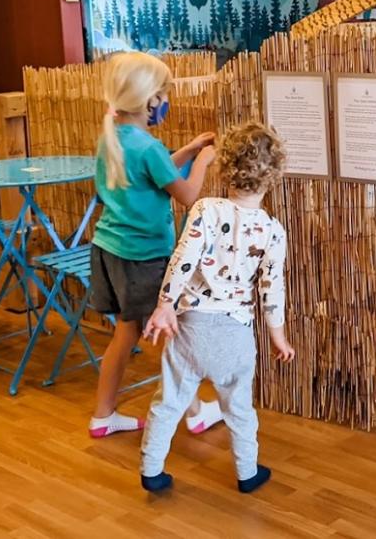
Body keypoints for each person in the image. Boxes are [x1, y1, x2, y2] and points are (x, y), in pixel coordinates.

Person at [139, 122, 295, 493]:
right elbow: (273, 288)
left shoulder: (206, 210)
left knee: (170, 401)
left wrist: (165, 305)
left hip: (190, 326)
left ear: (225, 167)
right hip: (235, 334)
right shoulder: (273, 231)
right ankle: (247, 473)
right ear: (273, 176)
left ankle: (151, 470)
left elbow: (183, 258)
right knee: (239, 409)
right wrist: (279, 337)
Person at [87, 52, 224, 438]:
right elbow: (185, 194)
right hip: (144, 258)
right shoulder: (146, 147)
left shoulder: (113, 136)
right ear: (150, 100)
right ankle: (196, 412)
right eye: (163, 94)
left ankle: (103, 415)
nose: (165, 102)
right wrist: (204, 161)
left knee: (125, 335)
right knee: (174, 333)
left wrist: (190, 148)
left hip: (109, 250)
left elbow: (154, 173)